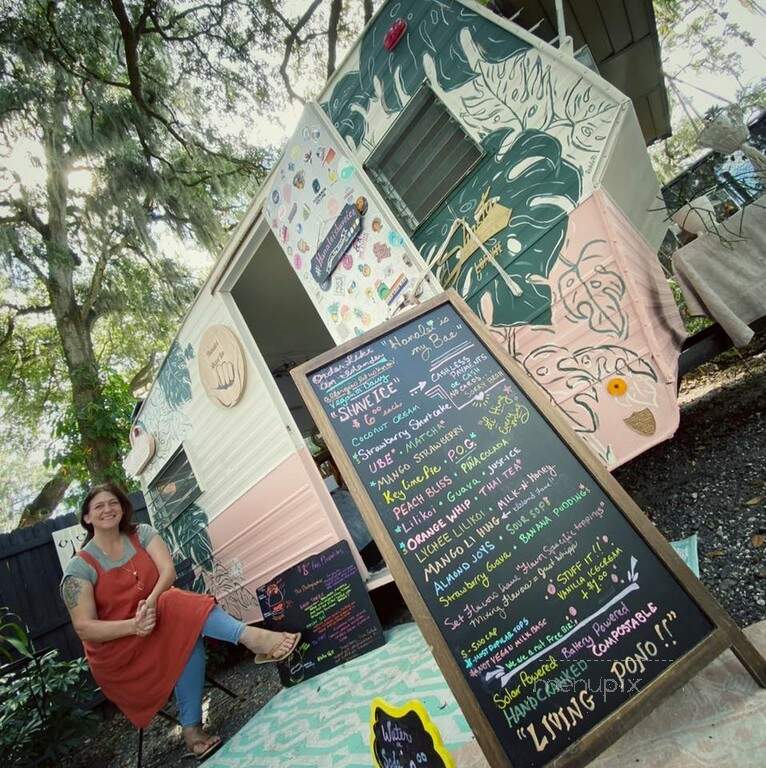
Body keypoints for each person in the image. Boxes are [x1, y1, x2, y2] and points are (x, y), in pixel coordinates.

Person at [60, 483, 301, 760]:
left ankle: (192, 729)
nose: (108, 509)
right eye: (99, 506)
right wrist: (134, 626)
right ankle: (253, 638)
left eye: (113, 502)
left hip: (158, 622)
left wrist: (150, 604)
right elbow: (84, 628)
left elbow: (168, 572)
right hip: (121, 649)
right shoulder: (80, 568)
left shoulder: (142, 534)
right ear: (87, 518)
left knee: (176, 612)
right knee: (177, 611)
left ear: (123, 507)